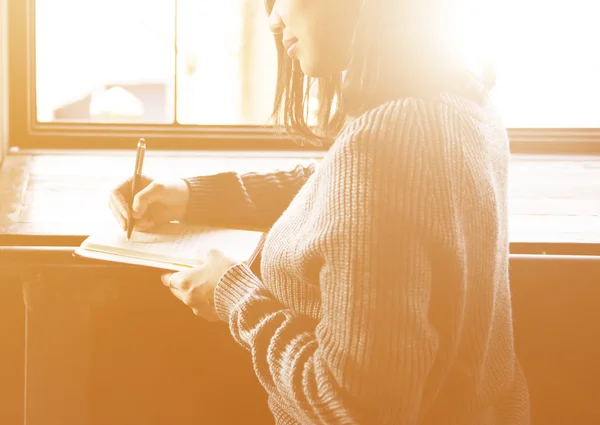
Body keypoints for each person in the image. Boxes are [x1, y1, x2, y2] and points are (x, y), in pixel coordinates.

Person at [109, 0, 530, 423]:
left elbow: (354, 409)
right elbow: (335, 187)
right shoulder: (457, 102)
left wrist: (235, 298)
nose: (273, 21)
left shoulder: (384, 145)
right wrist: (191, 195)